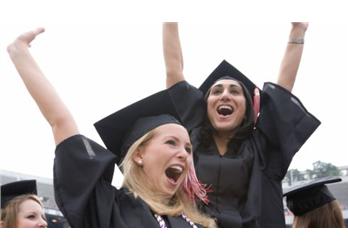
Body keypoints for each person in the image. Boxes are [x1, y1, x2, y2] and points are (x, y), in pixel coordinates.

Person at [7, 28, 216, 228]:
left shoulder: (199, 224)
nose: (184, 154)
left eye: (188, 149)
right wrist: (20, 53)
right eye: (171, 142)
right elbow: (60, 122)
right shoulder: (108, 209)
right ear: (139, 154)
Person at [162, 23, 321, 227]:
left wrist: (297, 30)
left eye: (235, 91)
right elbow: (174, 72)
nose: (225, 95)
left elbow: (283, 88)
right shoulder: (189, 142)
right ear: (205, 106)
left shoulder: (263, 148)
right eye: (217, 91)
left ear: (247, 108)